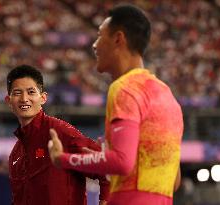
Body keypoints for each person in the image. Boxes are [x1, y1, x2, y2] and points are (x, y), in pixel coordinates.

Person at [48, 4, 183, 205]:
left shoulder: (125, 88)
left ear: (118, 39)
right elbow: (174, 180)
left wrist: (63, 159)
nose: (94, 45)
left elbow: (122, 162)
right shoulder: (166, 95)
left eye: (100, 36)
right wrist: (104, 160)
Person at [5, 65, 109, 205]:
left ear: (43, 98)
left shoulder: (60, 132)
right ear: (8, 101)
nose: (24, 98)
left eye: (31, 92)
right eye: (17, 93)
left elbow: (107, 166)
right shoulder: (15, 154)